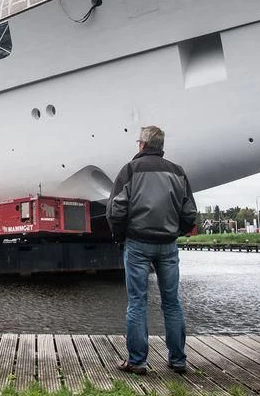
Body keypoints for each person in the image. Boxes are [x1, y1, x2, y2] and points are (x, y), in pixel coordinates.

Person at [106, 125, 196, 375]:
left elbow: (116, 209)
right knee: (172, 302)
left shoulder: (130, 170)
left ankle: (137, 361)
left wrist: (119, 234)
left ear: (142, 145)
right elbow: (189, 212)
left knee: (137, 302)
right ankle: (178, 360)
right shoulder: (178, 172)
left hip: (137, 243)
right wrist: (176, 230)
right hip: (168, 245)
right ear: (161, 146)